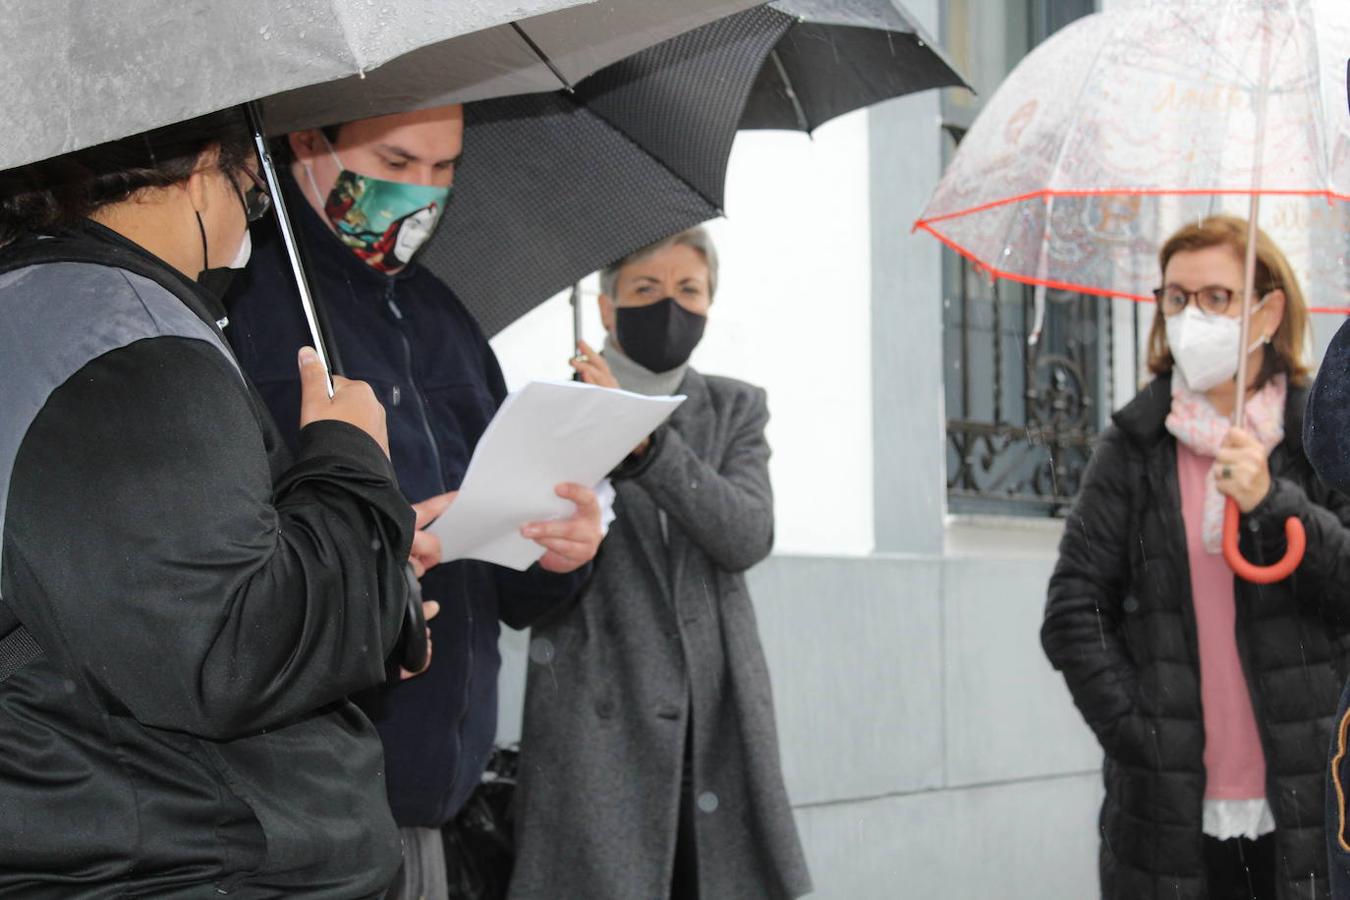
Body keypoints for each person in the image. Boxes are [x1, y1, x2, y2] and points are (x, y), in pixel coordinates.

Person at [0, 111, 429, 894]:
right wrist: (351, 464)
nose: (253, 209)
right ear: (204, 161)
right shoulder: (127, 343)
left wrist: (377, 586)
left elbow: (157, 583)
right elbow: (228, 649)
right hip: (194, 856)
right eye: (251, 184)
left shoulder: (48, 312)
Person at [223, 104, 604, 897]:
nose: (422, 195)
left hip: (439, 801)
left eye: (444, 170)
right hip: (293, 813)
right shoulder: (242, 300)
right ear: (307, 140)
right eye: (396, 164)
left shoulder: (446, 319)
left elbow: (511, 587)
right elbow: (212, 564)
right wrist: (371, 564)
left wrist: (558, 549)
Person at [1042, 214, 1350, 899]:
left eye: (1216, 297)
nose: (1191, 316)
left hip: (1307, 801)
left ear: (1267, 311)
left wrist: (1277, 503)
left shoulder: (1319, 437)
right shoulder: (1134, 444)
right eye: (1175, 298)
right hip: (1167, 817)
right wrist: (1139, 732)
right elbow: (1072, 609)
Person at [508, 227, 813, 900]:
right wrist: (595, 426)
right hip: (597, 722)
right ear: (607, 308)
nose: (670, 307)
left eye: (688, 291)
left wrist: (650, 451)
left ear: (710, 304)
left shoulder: (735, 408)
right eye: (646, 289)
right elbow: (527, 569)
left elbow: (746, 535)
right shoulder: (560, 412)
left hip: (714, 722)